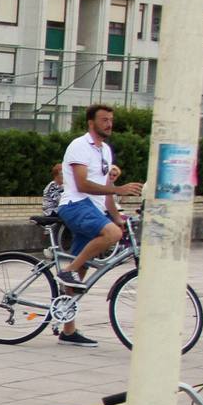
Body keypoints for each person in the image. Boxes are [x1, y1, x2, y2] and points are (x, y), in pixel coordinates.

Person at [55, 104, 143, 346]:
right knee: (110, 235)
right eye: (104, 120)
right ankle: (68, 269)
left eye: (111, 120)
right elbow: (82, 185)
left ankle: (68, 331)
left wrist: (116, 216)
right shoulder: (79, 146)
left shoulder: (105, 150)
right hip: (75, 204)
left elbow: (105, 194)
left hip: (92, 209)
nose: (109, 124)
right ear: (91, 123)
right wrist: (119, 189)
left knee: (80, 275)